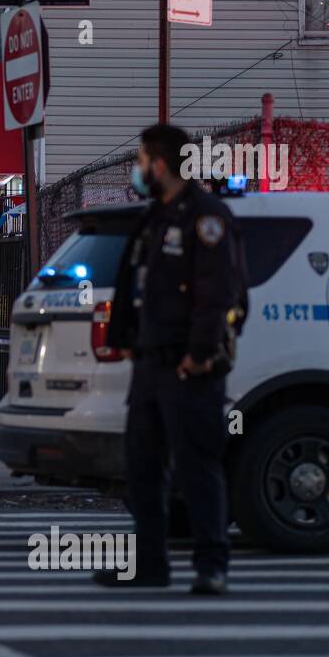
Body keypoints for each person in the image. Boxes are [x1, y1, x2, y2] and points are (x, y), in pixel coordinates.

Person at [104, 122, 248, 595]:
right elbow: (135, 282)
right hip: (150, 365)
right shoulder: (155, 217)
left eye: (142, 160)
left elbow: (219, 295)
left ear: (160, 164)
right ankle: (150, 565)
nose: (138, 170)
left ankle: (212, 565)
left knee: (197, 466)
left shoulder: (205, 217)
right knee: (142, 467)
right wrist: (123, 335)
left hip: (190, 368)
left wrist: (200, 355)